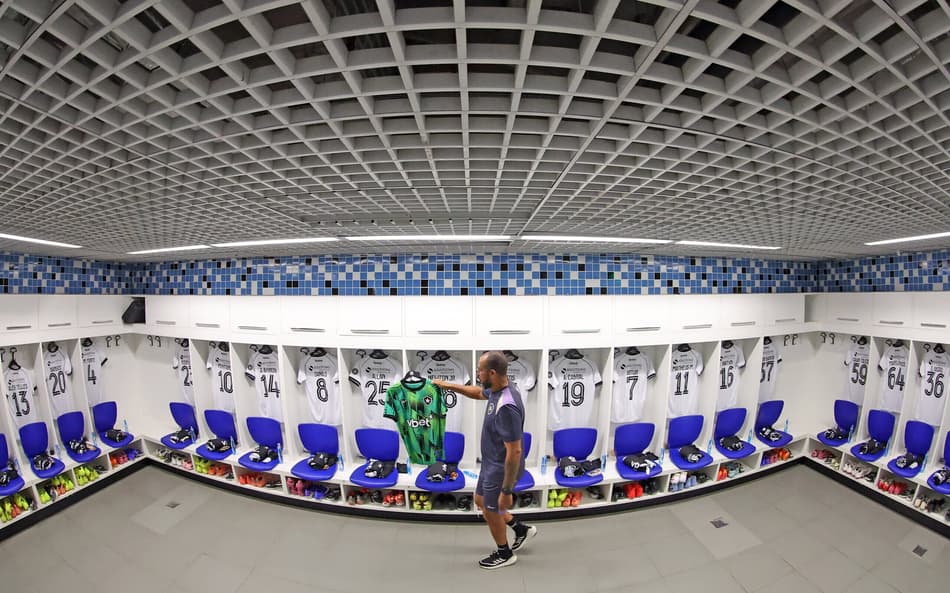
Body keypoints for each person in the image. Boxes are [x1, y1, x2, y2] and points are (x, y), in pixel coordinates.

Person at [434, 350, 537, 569]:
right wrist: (449, 386)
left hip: (501, 468)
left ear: (491, 372)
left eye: (479, 370)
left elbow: (515, 452)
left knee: (491, 509)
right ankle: (520, 528)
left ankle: (504, 553)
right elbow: (478, 393)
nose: (477, 374)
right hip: (491, 464)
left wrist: (507, 491)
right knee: (481, 501)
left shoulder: (507, 405)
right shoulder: (497, 389)